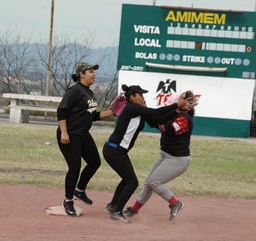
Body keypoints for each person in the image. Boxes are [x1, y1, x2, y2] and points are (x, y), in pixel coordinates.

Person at [103, 85, 194, 223]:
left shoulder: (139, 111)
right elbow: (156, 115)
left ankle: (115, 206)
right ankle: (117, 211)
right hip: (115, 150)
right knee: (133, 181)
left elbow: (155, 120)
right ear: (132, 97)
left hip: (173, 158)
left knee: (134, 180)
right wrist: (176, 106)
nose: (143, 97)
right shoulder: (132, 108)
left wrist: (176, 109)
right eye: (140, 95)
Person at [57, 63, 114, 216]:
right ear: (81, 74)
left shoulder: (88, 93)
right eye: (90, 72)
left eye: (93, 72)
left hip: (83, 134)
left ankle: (79, 190)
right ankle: (68, 201)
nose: (93, 74)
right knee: (74, 168)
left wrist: (113, 111)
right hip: (70, 134)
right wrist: (64, 133)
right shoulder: (74, 91)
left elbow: (93, 116)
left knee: (95, 162)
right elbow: (61, 111)